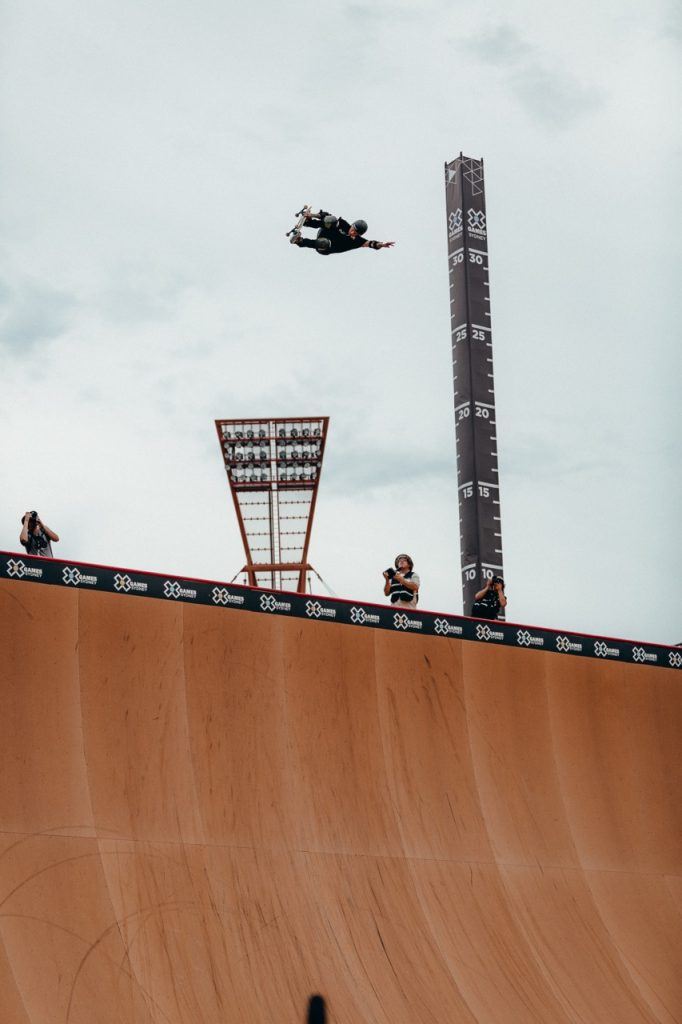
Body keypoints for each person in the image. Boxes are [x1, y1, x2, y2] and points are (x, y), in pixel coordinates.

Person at [291, 210, 395, 255]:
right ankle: (309, 221)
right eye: (353, 229)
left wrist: (381, 244)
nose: (353, 232)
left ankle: (300, 241)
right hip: (325, 233)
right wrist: (314, 215)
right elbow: (327, 216)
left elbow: (371, 244)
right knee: (332, 220)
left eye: (356, 233)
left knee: (325, 242)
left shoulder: (357, 241)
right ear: (352, 225)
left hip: (326, 247)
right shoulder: (344, 225)